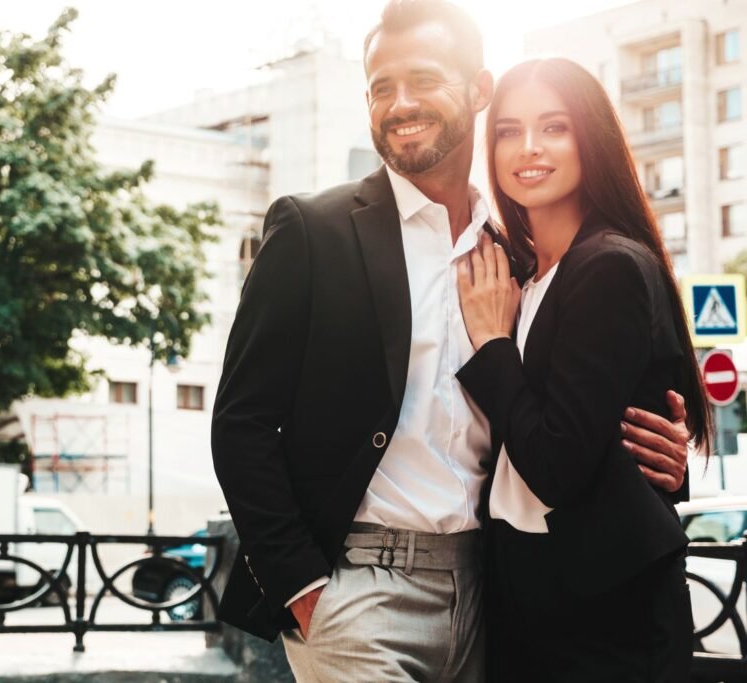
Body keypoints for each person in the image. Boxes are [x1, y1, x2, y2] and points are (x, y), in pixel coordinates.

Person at [211, 1, 691, 680]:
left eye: (423, 79)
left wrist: (656, 457)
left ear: (478, 90)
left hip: (496, 596)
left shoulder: (519, 256)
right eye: (381, 87)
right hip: (357, 592)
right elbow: (242, 422)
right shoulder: (314, 232)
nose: (400, 103)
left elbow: (563, 416)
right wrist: (301, 587)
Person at [455, 57, 707, 683]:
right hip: (521, 592)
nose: (528, 147)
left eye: (554, 127)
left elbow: (556, 464)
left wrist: (493, 345)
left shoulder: (609, 267)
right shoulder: (516, 276)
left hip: (605, 615)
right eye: (508, 131)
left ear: (590, 138)